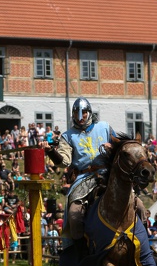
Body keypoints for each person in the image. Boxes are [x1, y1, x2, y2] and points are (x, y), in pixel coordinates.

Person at [44, 97, 141, 245]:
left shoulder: (105, 127)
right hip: (85, 178)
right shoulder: (67, 136)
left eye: (83, 113)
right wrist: (51, 151)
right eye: (76, 113)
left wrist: (112, 147)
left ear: (89, 112)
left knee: (139, 206)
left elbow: (121, 149)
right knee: (74, 215)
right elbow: (64, 162)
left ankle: (145, 245)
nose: (80, 117)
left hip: (109, 174)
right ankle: (79, 252)